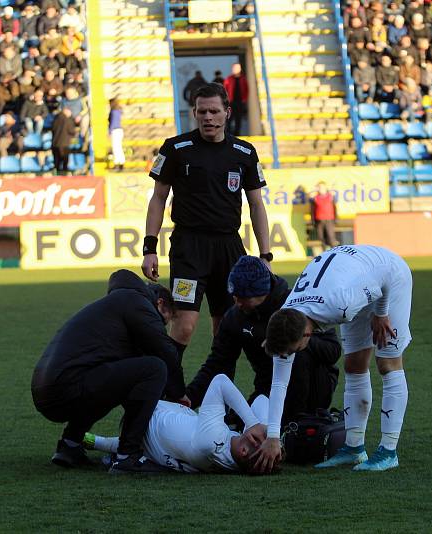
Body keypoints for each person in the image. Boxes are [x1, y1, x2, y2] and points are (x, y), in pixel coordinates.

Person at [142, 82, 271, 398]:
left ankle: (218, 402)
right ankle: (169, 394)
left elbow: (256, 204)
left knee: (223, 332)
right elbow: (158, 198)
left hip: (229, 249)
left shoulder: (244, 152)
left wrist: (265, 256)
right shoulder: (175, 149)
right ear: (194, 113)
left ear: (227, 112)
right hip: (189, 248)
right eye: (202, 112)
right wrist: (149, 247)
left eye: (215, 111)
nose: (208, 118)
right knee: (184, 325)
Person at [255, 245, 413, 474]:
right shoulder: (285, 318)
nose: (288, 356)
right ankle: (353, 447)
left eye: (292, 351)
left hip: (389, 274)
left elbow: (384, 278)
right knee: (354, 364)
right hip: (351, 281)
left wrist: (380, 313)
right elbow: (279, 382)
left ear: (307, 336)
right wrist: (272, 436)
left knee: (387, 363)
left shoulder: (341, 306)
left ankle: (388, 452)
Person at [31, 269, 186, 473]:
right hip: (67, 386)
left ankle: (70, 445)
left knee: (114, 380)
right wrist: (180, 394)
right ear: (160, 304)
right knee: (155, 368)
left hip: (48, 390)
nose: (163, 327)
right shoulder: (137, 304)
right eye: (165, 320)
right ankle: (127, 455)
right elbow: (165, 351)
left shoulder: (118, 304)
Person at [185, 256, 341, 423]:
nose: (237, 302)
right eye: (235, 296)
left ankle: (296, 422)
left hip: (313, 387)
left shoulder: (298, 304)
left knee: (296, 352)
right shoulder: (235, 317)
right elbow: (218, 362)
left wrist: (298, 339)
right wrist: (189, 397)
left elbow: (333, 350)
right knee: (240, 426)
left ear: (261, 291)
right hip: (268, 389)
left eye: (242, 296)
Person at [86, 374, 267, 474]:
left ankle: (81, 438)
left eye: (264, 441)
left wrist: (252, 423)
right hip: (153, 447)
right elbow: (261, 400)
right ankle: (92, 441)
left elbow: (220, 381)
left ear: (244, 451)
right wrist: (273, 435)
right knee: (121, 444)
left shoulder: (212, 441)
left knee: (153, 368)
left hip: (149, 412)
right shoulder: (232, 458)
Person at [309, 182, 338, 250]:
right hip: (319, 221)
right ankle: (325, 254)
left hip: (329, 220)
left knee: (331, 237)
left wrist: (336, 219)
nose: (321, 189)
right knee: (321, 238)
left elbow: (335, 208)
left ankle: (334, 253)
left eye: (322, 187)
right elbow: (312, 210)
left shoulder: (330, 197)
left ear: (325, 188)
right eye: (319, 187)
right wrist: (313, 221)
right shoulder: (315, 198)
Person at [222, 63, 248, 135]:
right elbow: (224, 89)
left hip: (240, 102)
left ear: (240, 69)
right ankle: (228, 134)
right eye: (234, 68)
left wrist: (244, 99)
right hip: (231, 102)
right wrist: (226, 100)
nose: (235, 70)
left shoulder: (243, 78)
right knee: (229, 118)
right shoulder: (229, 79)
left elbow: (246, 89)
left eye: (237, 68)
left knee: (238, 118)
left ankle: (237, 134)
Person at [51, 107, 77, 175]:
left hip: (55, 144)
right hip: (64, 144)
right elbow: (72, 131)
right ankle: (64, 179)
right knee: (65, 163)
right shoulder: (68, 120)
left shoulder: (56, 119)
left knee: (57, 163)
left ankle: (56, 177)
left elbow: (53, 129)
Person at [108, 97, 125, 171]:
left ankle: (117, 164)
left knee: (115, 147)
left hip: (115, 130)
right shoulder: (118, 111)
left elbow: (113, 123)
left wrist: (109, 132)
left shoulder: (113, 111)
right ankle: (121, 163)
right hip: (119, 130)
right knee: (119, 147)